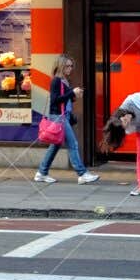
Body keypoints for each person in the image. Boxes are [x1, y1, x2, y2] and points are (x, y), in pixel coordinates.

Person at [35, 54, 99, 184]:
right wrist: (72, 93)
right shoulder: (56, 81)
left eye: (71, 66)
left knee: (55, 146)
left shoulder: (63, 80)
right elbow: (55, 100)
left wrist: (74, 95)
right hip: (59, 116)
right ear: (61, 66)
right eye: (67, 66)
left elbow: (65, 98)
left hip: (63, 116)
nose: (70, 68)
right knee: (73, 144)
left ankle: (41, 173)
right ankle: (82, 174)